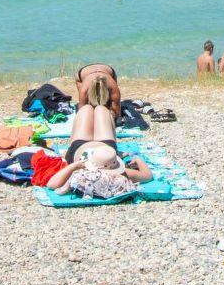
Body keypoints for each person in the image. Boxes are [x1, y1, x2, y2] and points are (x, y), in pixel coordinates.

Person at [42, 71, 150, 200]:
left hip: (92, 146)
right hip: (95, 148)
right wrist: (138, 160)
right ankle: (98, 96)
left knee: (88, 109)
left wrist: (75, 166)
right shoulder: (120, 174)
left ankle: (97, 95)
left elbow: (51, 184)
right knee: (100, 109)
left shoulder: (82, 174)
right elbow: (147, 176)